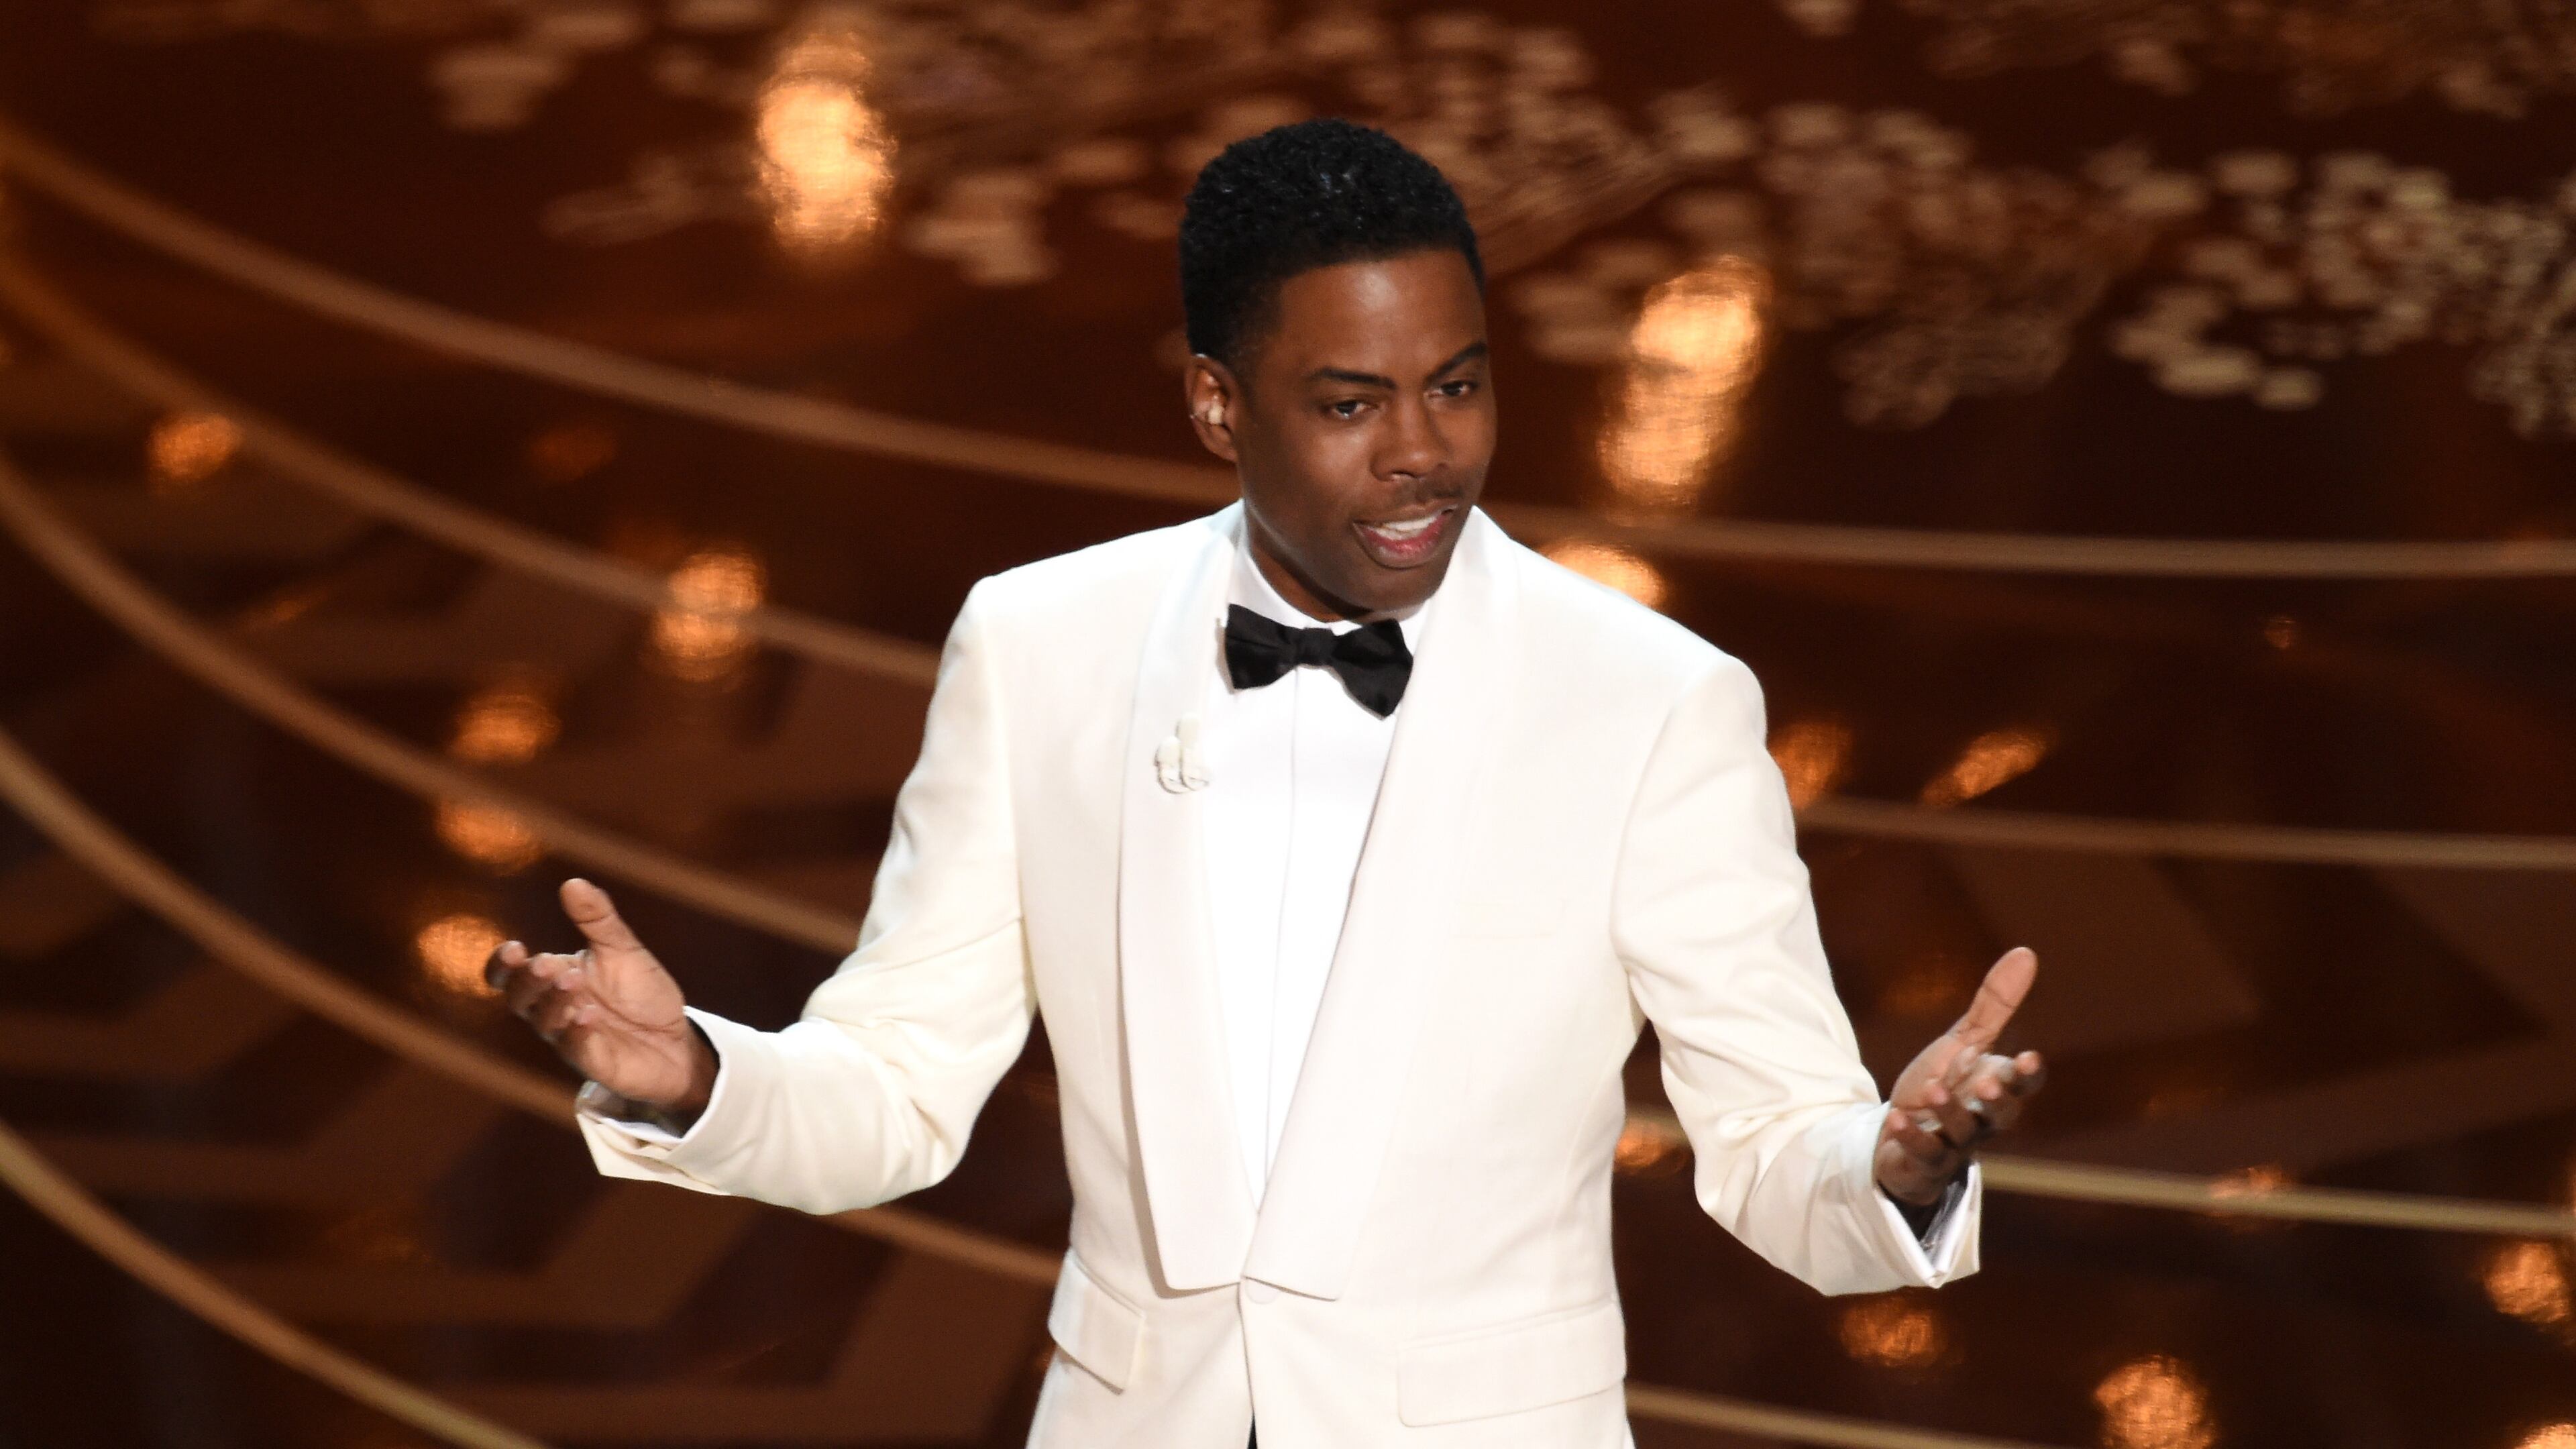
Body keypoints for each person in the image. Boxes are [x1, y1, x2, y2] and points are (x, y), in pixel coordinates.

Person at [484, 117, 2046, 1448]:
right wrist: (695, 1073)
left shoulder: (1654, 704)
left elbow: (1780, 1147)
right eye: (1353, 405)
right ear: (1219, 406)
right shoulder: (1041, 646)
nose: (1425, 455)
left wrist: (1894, 1163)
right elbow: (898, 1088)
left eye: (1458, 385)